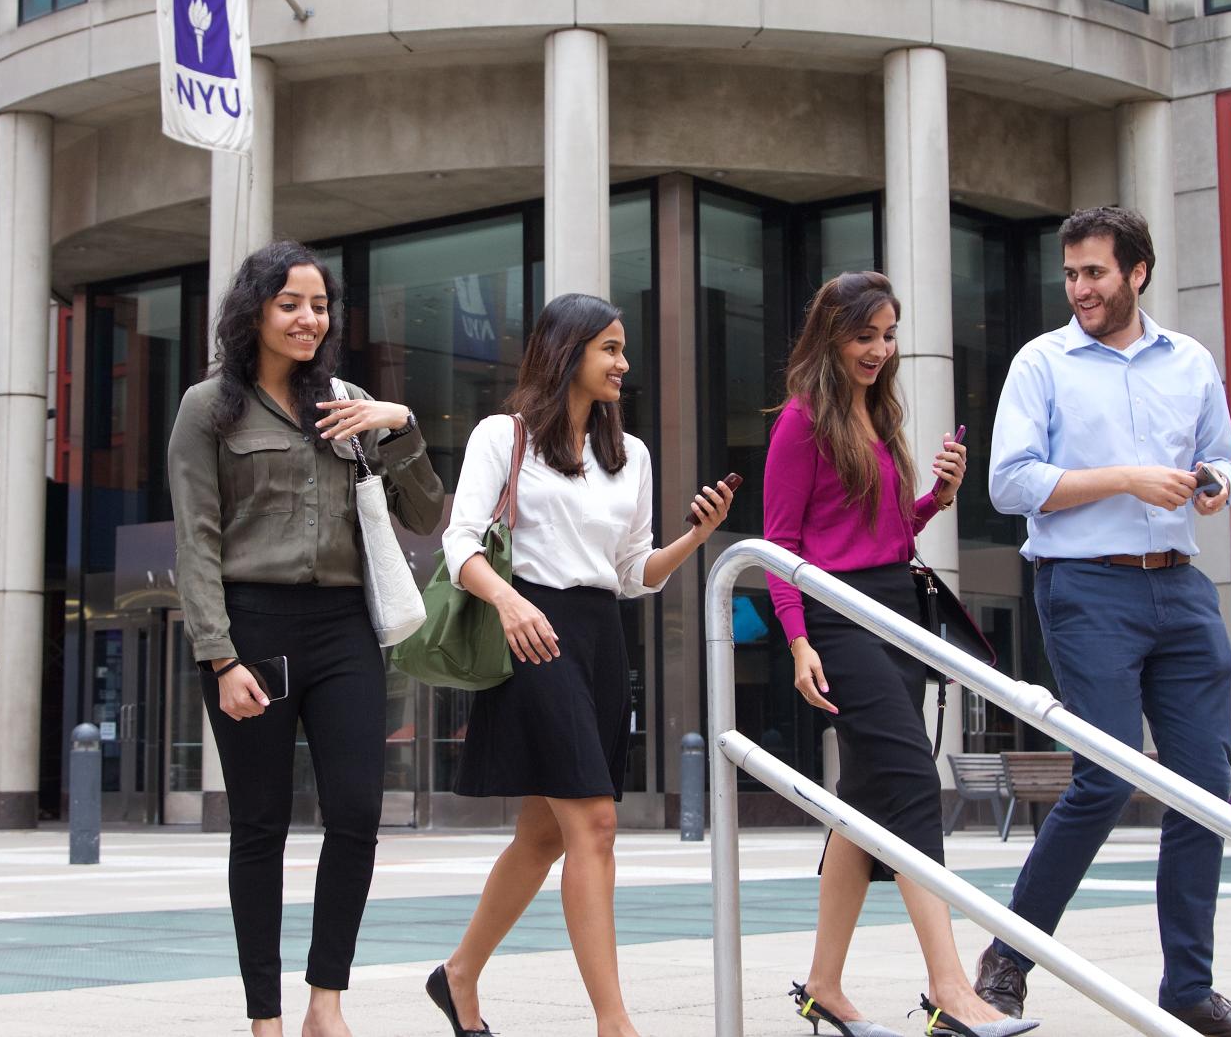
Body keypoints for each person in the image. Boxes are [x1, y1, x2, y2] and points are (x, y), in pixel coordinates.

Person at [977, 206, 1231, 1037]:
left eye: (1094, 273)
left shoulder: (1189, 361)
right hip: (1083, 588)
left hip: (1180, 591)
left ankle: (1188, 989)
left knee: (1205, 792)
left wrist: (1212, 483)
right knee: (1104, 778)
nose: (1078, 289)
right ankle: (1006, 960)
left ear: (1136, 272)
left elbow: (1220, 456)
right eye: (1070, 274)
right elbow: (1009, 484)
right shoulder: (1042, 363)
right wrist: (1122, 479)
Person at [428, 293, 738, 1037]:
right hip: (531, 628)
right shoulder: (501, 438)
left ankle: (458, 974)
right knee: (595, 823)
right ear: (566, 352)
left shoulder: (630, 454)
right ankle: (614, 1023)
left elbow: (634, 571)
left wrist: (696, 538)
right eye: (609, 348)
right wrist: (508, 604)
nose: (623, 363)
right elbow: (460, 541)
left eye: (622, 348)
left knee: (543, 834)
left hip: (600, 636)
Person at [168, 240, 445, 1037]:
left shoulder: (349, 405)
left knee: (356, 811)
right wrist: (218, 656)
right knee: (258, 825)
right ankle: (265, 1016)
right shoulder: (207, 408)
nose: (306, 317)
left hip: (342, 629)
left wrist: (399, 425)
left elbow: (426, 517)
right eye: (289, 302)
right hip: (251, 628)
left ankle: (327, 1001)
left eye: (318, 305)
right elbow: (197, 540)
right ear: (255, 310)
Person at [768, 273, 1036, 1037]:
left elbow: (884, 534)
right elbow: (781, 547)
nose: (879, 351)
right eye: (864, 336)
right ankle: (949, 988)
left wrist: (935, 502)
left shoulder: (877, 414)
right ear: (830, 336)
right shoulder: (800, 422)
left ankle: (822, 985)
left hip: (896, 612)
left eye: (888, 335)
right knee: (913, 782)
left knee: (863, 804)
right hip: (837, 617)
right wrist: (796, 642)